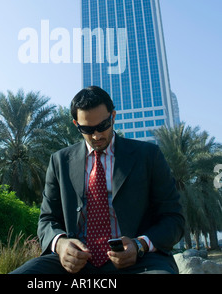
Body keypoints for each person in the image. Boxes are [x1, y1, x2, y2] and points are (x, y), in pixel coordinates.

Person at [10, 86, 184, 275]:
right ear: (76, 124)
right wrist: (60, 244)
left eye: (103, 126)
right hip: (74, 265)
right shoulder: (60, 161)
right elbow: (47, 219)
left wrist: (139, 245)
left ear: (113, 116)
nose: (97, 135)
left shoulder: (148, 156)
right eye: (87, 129)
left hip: (139, 261)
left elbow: (173, 218)